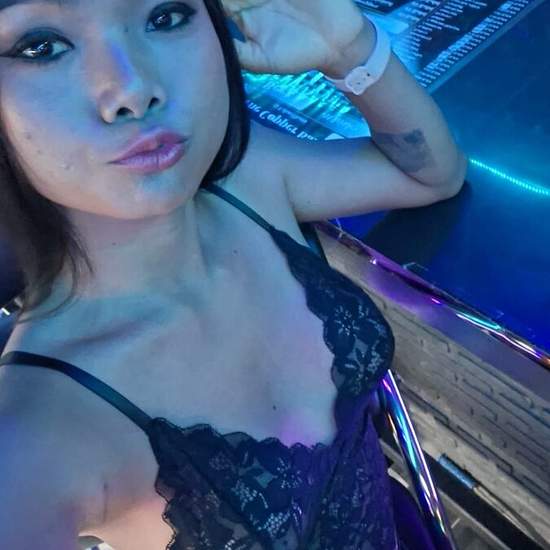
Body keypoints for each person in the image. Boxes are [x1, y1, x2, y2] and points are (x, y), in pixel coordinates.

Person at [0, 0, 467, 548]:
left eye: (166, 16)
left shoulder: (247, 179)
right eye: (41, 47)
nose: (134, 90)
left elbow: (430, 176)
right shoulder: (34, 434)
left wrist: (351, 50)